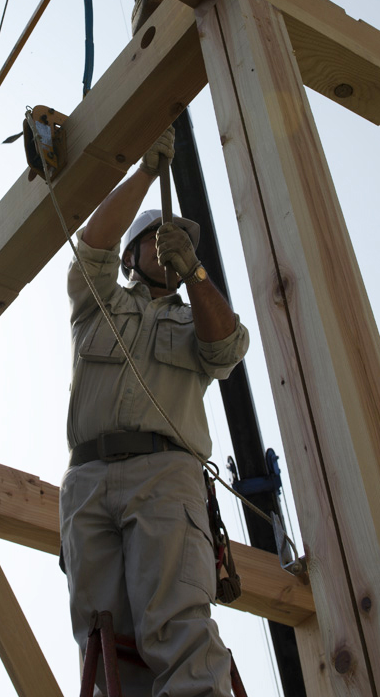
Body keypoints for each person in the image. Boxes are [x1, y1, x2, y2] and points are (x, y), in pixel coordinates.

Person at [60, 126, 249, 697]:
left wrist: (196, 273)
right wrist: (143, 172)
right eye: (159, 240)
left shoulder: (195, 319)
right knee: (105, 645)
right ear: (133, 254)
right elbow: (92, 243)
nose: (169, 246)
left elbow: (226, 349)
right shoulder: (99, 304)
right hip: (88, 480)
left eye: (181, 243)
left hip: (164, 476)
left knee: (174, 627)